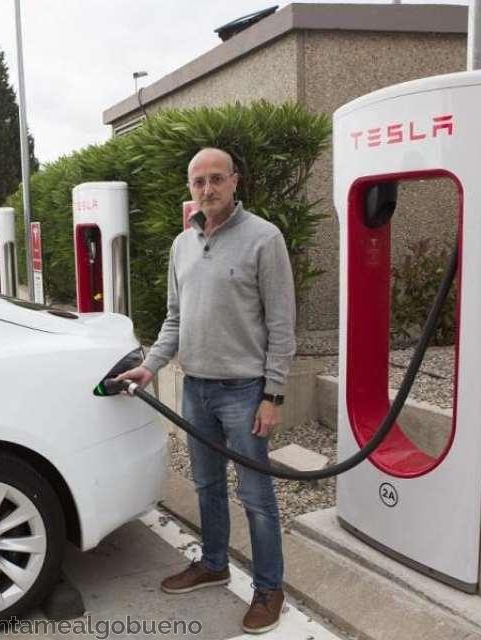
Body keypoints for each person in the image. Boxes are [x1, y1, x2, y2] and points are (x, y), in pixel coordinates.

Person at [116, 147, 296, 634]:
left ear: (235, 181)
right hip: (196, 389)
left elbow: (282, 325)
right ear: (190, 187)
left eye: (217, 179)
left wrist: (272, 395)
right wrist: (150, 366)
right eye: (199, 182)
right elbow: (176, 319)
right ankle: (214, 563)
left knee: (257, 496)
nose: (208, 189)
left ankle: (269, 588)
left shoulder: (264, 238)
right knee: (208, 486)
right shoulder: (182, 245)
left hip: (245, 391)